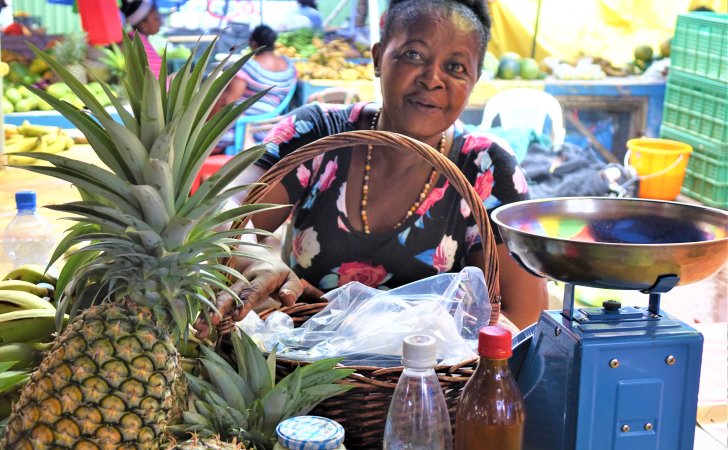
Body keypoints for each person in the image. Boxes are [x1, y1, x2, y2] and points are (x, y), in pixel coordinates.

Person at [212, 0, 548, 331]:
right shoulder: (316, 132)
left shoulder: (485, 166)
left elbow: (526, 318)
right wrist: (255, 257)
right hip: (298, 367)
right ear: (377, 58)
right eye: (413, 55)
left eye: (456, 67)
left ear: (475, 81)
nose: (432, 79)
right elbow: (219, 210)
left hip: (436, 380)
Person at [213, 25, 297, 153]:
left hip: (247, 126)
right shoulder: (289, 65)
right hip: (272, 124)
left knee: (218, 99)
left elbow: (228, 101)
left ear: (253, 43)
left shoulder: (249, 66)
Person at [120, 0, 163, 78]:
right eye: (156, 18)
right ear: (144, 25)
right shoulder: (133, 42)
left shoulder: (142, 40)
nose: (161, 21)